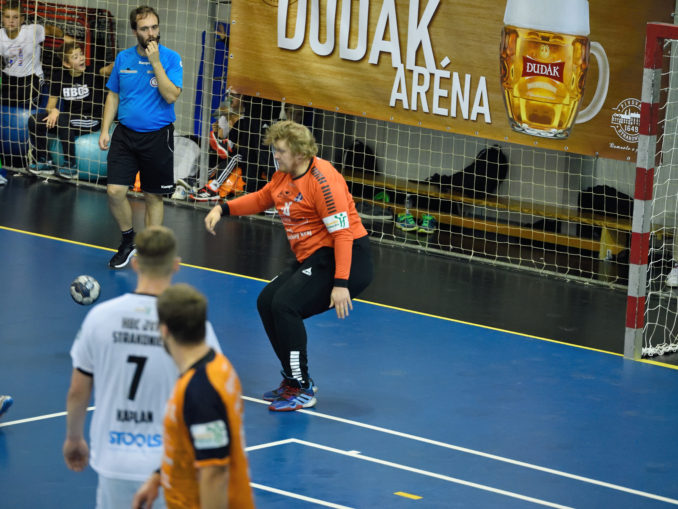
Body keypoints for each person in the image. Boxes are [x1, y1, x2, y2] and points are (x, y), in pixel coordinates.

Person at [204, 120, 374, 411]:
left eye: (281, 151)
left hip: (345, 256)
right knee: (266, 302)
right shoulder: (283, 175)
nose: (276, 155)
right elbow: (262, 198)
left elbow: (343, 234)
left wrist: (341, 284)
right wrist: (223, 208)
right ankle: (293, 380)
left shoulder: (323, 181)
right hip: (315, 256)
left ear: (300, 154)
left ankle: (302, 387)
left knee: (285, 305)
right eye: (275, 149)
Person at [62, 226, 222, 509]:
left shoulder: (100, 317)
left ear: (135, 264)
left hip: (113, 459)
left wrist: (74, 439)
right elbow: (213, 397)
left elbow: (78, 390)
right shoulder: (193, 324)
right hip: (169, 463)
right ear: (176, 265)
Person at [132, 284, 255, 509]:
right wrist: (158, 476)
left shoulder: (200, 390)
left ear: (164, 330)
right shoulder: (216, 366)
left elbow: (215, 473)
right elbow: (191, 443)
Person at [99, 5, 182, 270]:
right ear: (135, 31)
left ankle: (150, 250)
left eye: (154, 27)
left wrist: (155, 62)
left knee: (153, 196)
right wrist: (105, 129)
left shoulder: (171, 58)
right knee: (114, 191)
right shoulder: (123, 58)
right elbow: (113, 94)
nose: (151, 33)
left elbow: (171, 95)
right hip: (125, 135)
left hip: (158, 136)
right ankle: (128, 240)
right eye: (145, 28)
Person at [27, 42, 106, 178]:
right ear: (66, 64)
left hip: (90, 120)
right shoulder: (59, 77)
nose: (81, 58)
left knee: (63, 118)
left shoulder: (93, 71)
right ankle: (45, 161)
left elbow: (108, 69)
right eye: (75, 57)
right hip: (69, 121)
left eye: (81, 54)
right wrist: (53, 111)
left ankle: (71, 165)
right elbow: (50, 106)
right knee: (34, 120)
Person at [0, 1, 61, 106]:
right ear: (2, 18)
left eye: (15, 17)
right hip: (8, 77)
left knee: (18, 99)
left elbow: (50, 29)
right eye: (7, 17)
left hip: (31, 78)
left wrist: (64, 36)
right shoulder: (1, 35)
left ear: (22, 19)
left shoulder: (31, 31)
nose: (11, 21)